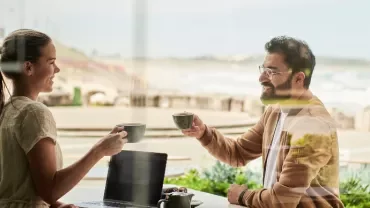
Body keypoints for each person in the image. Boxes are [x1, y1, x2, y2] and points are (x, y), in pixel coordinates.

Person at [182, 36, 344, 208]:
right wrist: (204, 133)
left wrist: (243, 195)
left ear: (298, 79)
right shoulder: (274, 112)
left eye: (272, 72)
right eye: (264, 69)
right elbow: (238, 152)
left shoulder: (312, 125)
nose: (262, 78)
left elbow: (282, 201)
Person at [0, 29, 128, 208]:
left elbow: (18, 187)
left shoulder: (7, 111)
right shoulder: (34, 113)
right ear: (28, 68)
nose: (57, 69)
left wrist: (57, 205)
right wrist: (99, 150)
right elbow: (50, 190)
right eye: (51, 62)